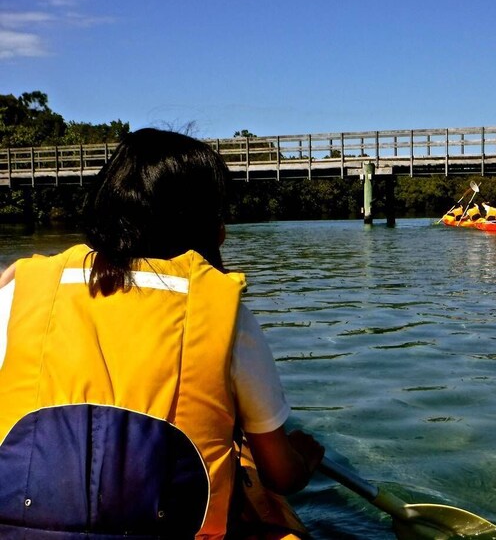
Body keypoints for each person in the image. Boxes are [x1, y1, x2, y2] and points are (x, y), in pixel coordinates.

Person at [0, 128, 324, 539]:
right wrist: (304, 461)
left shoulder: (20, 290)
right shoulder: (224, 310)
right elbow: (281, 476)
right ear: (209, 225)